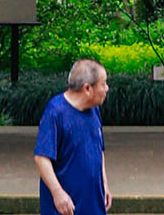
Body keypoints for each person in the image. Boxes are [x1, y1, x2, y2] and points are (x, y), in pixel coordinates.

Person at [34, 59, 110, 215]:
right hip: (66, 207)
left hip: (93, 204)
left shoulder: (94, 110)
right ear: (87, 88)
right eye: (103, 84)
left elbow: (98, 150)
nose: (107, 89)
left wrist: (104, 185)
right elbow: (41, 157)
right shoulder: (55, 112)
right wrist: (57, 192)